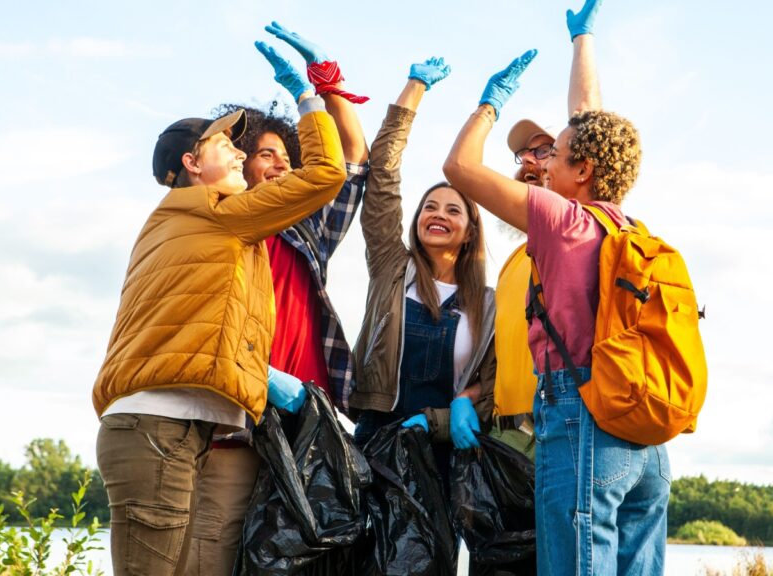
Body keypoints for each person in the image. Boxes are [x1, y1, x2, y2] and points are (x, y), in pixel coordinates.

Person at [91, 30, 347, 576]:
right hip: (158, 427)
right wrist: (307, 98)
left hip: (171, 428)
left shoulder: (182, 218)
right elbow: (329, 175)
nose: (238, 151)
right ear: (191, 162)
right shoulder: (213, 210)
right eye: (224, 145)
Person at [443, 4, 671, 574]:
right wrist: (583, 42)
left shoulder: (565, 223)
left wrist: (490, 103)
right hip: (643, 436)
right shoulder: (628, 228)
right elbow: (590, 120)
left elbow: (460, 167)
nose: (545, 167)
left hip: (579, 419)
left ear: (583, 172)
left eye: (557, 157)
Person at [183, 22, 369, 575]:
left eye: (288, 154)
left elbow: (353, 160)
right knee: (224, 538)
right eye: (266, 154)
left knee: (300, 555)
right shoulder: (216, 226)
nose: (282, 163)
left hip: (302, 414)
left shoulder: (307, 228)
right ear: (239, 162)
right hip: (235, 410)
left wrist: (322, 82)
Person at [349, 57, 496, 485]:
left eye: (453, 210)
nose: (438, 215)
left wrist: (447, 417)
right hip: (375, 443)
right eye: (429, 206)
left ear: (470, 233)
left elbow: (493, 387)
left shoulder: (487, 305)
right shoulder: (391, 268)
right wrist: (414, 88)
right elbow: (383, 179)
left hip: (447, 455)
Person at [491, 0, 606, 462]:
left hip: (564, 425)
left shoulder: (579, 227)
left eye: (546, 151)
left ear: (575, 166)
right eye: (524, 155)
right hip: (504, 439)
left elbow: (589, 122)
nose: (532, 162)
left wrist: (582, 42)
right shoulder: (511, 264)